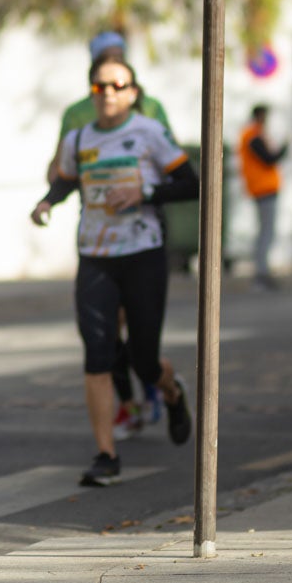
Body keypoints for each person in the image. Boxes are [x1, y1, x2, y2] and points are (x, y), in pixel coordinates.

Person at [31, 55, 198, 486]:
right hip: (95, 254)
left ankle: (171, 391)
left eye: (117, 86)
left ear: (133, 92)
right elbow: (68, 179)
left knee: (143, 359)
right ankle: (106, 453)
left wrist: (144, 191)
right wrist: (49, 201)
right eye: (99, 87)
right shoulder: (79, 137)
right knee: (98, 353)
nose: (108, 94)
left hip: (144, 253)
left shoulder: (149, 132)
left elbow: (190, 183)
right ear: (92, 93)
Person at [44, 31, 174, 439]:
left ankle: (153, 385)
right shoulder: (78, 115)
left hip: (142, 231)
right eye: (104, 60)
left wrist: (144, 189)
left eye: (118, 58)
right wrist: (53, 191)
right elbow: (59, 167)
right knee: (105, 331)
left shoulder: (150, 108)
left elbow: (171, 160)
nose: (109, 89)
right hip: (97, 232)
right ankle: (128, 402)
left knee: (136, 337)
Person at [237, 104, 288, 290]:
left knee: (266, 231)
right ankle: (261, 273)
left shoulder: (254, 134)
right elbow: (268, 158)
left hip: (264, 189)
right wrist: (284, 149)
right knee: (266, 232)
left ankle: (262, 271)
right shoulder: (252, 135)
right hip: (263, 189)